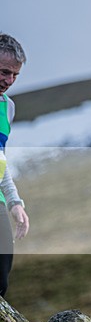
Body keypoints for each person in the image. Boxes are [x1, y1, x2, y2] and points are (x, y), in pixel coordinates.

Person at [0, 33, 31, 299]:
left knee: (1, 274)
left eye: (15, 75)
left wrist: (14, 201)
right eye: (4, 72)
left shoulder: (8, 108)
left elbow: (1, 160)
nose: (8, 81)